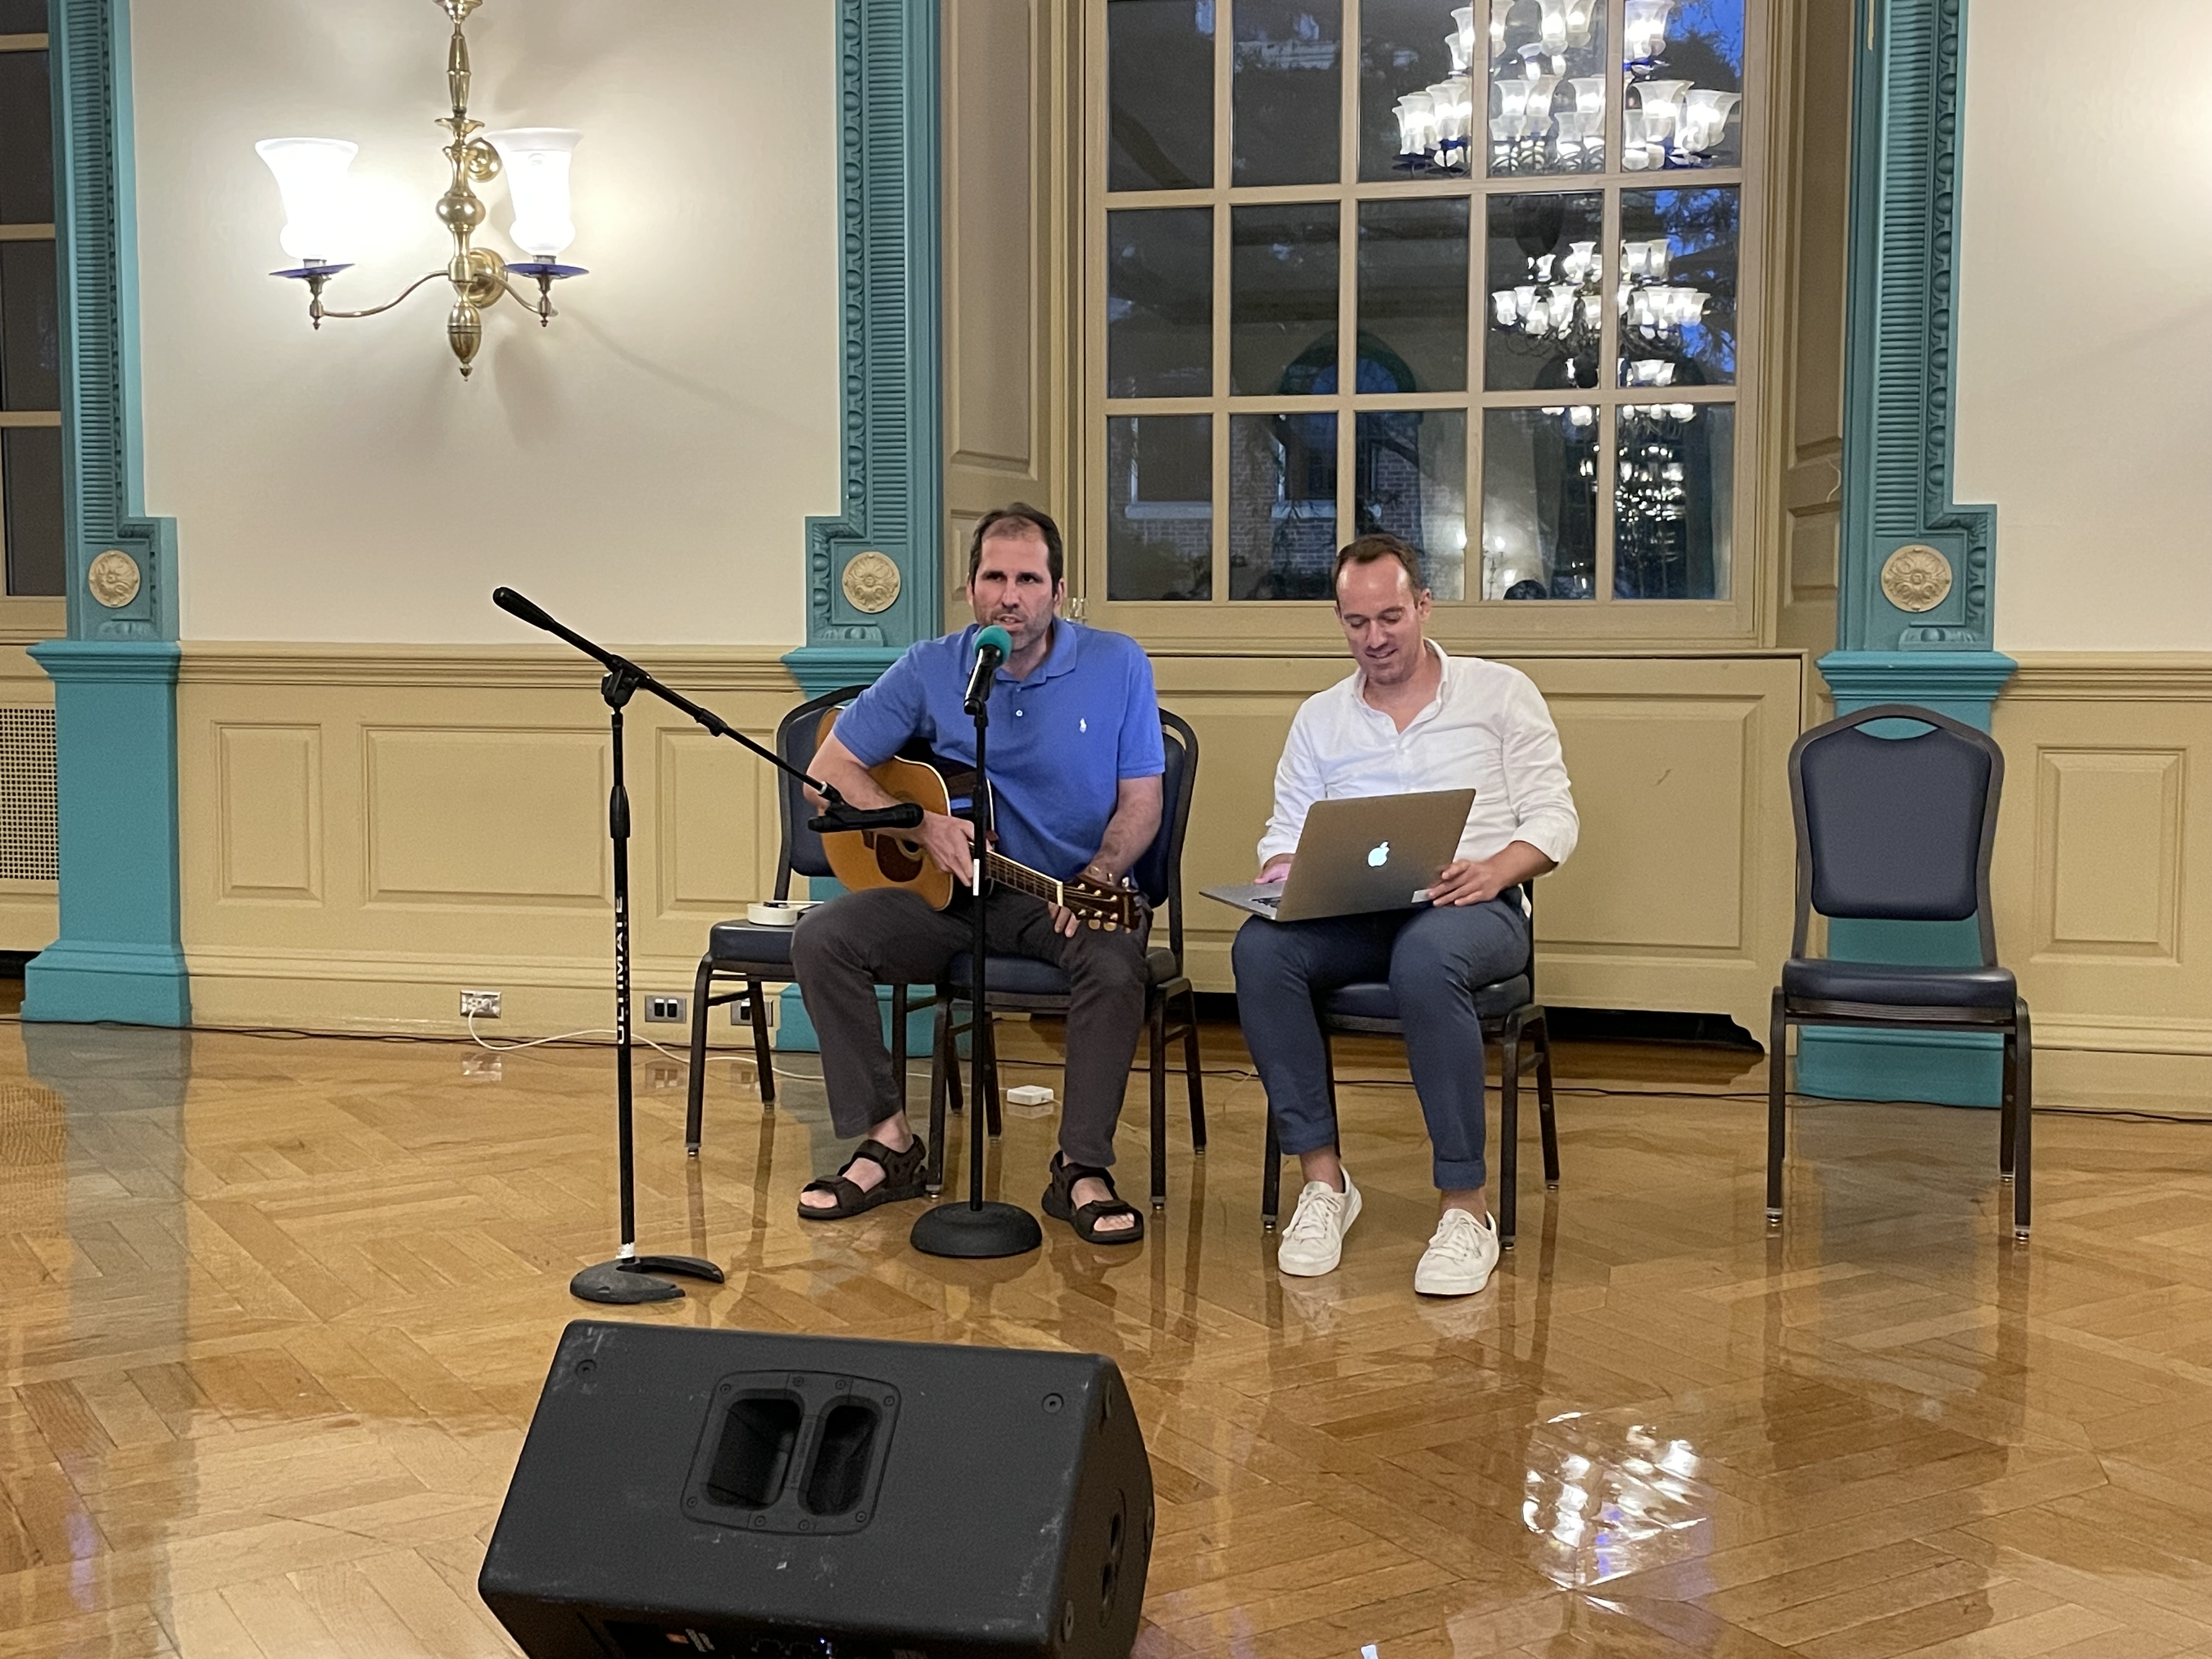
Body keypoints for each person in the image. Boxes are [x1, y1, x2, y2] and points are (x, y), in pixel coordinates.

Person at [788, 504, 1164, 1243]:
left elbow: (1142, 801)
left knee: (1117, 961)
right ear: (970, 589)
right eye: (995, 577)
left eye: (1029, 579)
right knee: (823, 939)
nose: (1010, 596)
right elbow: (824, 773)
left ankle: (1081, 1169)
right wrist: (918, 823)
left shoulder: (1118, 663)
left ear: (1059, 591)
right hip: (948, 897)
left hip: (1057, 895)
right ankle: (889, 1143)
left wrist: (1103, 869)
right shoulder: (934, 666)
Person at [1231, 533, 1578, 1296]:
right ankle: (1325, 1184)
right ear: (1340, 620)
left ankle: (1466, 1209)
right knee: (1260, 950)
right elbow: (1284, 829)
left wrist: (1496, 870)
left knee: (1425, 958)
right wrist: (1286, 870)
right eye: (1357, 624)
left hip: (1474, 909)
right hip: (1356, 912)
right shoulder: (1321, 718)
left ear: (1424, 604)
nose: (1376, 639)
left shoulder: (1500, 693)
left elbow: (1555, 819)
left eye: (1391, 617)